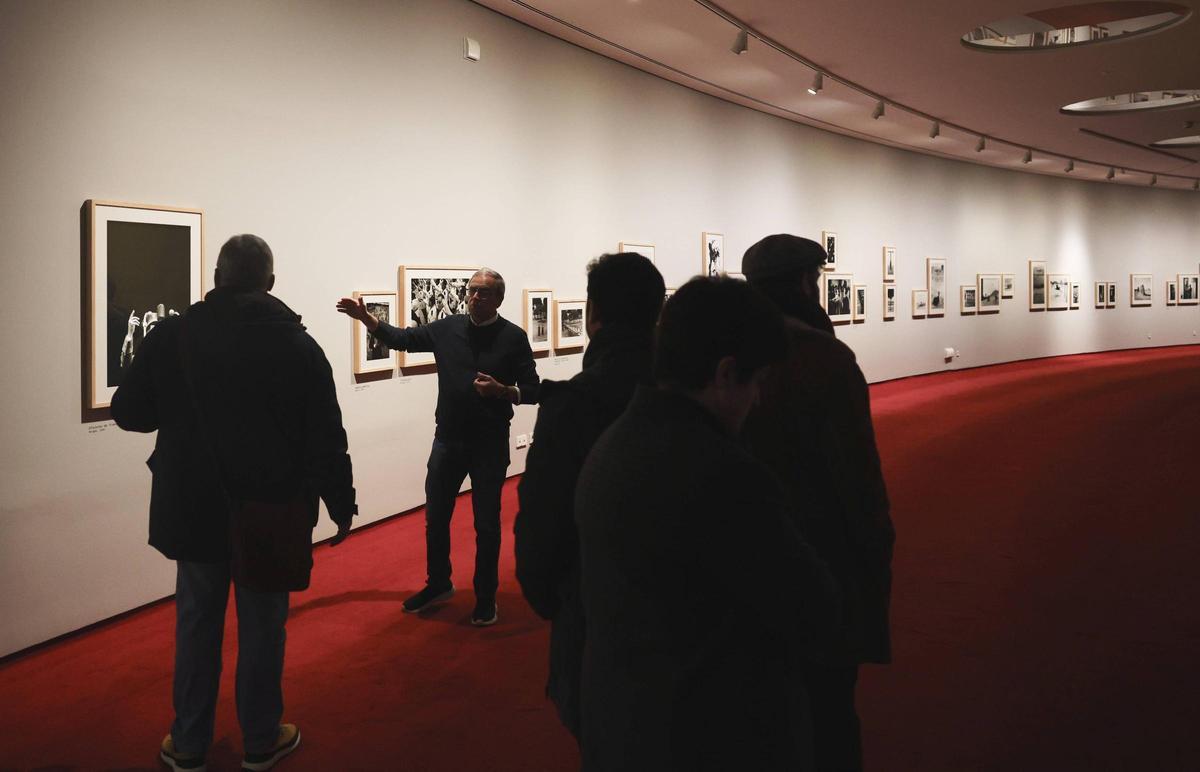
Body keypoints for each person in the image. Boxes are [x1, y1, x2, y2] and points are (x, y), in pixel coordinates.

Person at [111, 234, 357, 772]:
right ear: (270, 282)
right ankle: (261, 740)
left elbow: (128, 411)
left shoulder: (175, 334)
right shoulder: (298, 345)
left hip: (195, 503)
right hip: (272, 507)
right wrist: (342, 503)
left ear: (217, 277)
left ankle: (191, 743)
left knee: (197, 621)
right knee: (264, 624)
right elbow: (326, 435)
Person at [574, 276, 839, 770]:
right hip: (704, 734)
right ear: (725, 373)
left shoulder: (618, 441)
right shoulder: (718, 472)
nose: (757, 399)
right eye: (756, 382)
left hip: (625, 724)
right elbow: (811, 608)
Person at [741, 234, 895, 772]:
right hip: (818, 560)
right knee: (827, 715)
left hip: (743, 566)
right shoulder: (823, 360)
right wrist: (874, 569)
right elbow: (857, 482)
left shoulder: (725, 356)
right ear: (807, 283)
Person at [514, 251, 664, 739]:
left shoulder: (576, 404)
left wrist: (555, 600)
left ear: (594, 314)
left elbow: (541, 523)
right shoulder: (690, 390)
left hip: (597, 605)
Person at [336, 268, 538, 626]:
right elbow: (401, 339)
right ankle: (439, 583)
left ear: (499, 299)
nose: (475, 297)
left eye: (484, 293)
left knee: (487, 524)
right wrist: (367, 318)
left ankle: (486, 597)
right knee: (436, 517)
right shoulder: (447, 328)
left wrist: (504, 391)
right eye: (472, 291)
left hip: (489, 444)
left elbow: (533, 390)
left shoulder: (513, 338)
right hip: (447, 439)